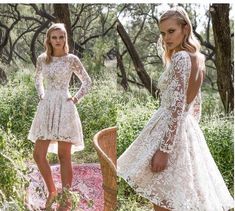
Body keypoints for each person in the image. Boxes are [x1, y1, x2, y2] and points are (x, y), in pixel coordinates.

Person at [117, 6, 234, 211]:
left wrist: (164, 149)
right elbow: (196, 102)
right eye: (163, 33)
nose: (166, 38)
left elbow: (178, 106)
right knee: (172, 198)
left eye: (171, 31)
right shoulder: (199, 58)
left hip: (170, 131)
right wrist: (189, 130)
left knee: (162, 202)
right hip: (185, 128)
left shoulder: (181, 58)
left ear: (185, 29)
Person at [28, 23, 92, 210]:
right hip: (46, 107)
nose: (58, 41)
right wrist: (41, 94)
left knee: (65, 156)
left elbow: (87, 82)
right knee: (38, 155)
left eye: (61, 37)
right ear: (48, 39)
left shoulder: (71, 59)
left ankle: (65, 199)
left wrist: (75, 98)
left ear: (66, 39)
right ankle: (52, 192)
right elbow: (37, 78)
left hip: (65, 107)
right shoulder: (42, 59)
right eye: (54, 37)